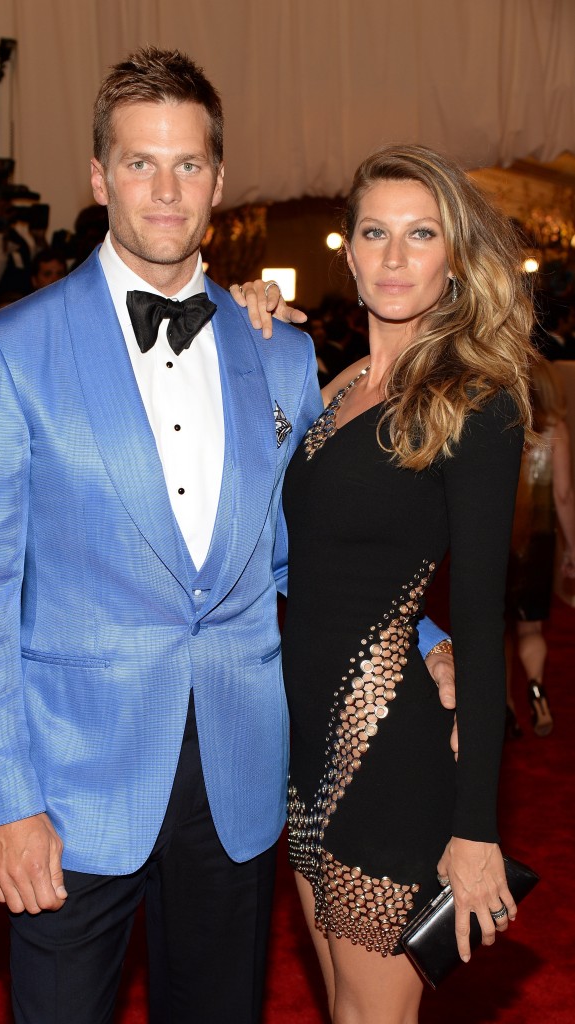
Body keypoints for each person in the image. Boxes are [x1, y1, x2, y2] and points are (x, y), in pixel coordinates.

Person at [0, 51, 452, 1024]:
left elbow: (311, 551)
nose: (166, 190)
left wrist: (421, 638)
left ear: (219, 180)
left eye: (187, 165)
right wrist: (5, 800)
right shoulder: (9, 350)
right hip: (70, 791)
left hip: (239, 776)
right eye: (141, 163)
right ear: (99, 177)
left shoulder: (282, 352)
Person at [235, 143, 534, 1024]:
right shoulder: (342, 383)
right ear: (349, 250)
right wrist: (242, 314)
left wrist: (475, 831)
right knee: (343, 1007)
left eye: (420, 234)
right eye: (375, 233)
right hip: (303, 741)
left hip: (389, 747)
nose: (395, 257)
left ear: (454, 256)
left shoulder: (474, 401)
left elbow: (478, 620)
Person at [505, 356, 575, 736]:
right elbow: (563, 495)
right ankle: (536, 689)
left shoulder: (501, 424)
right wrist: (573, 549)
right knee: (531, 628)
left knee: (497, 629)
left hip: (499, 538)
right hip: (539, 541)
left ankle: (505, 708)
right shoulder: (554, 430)